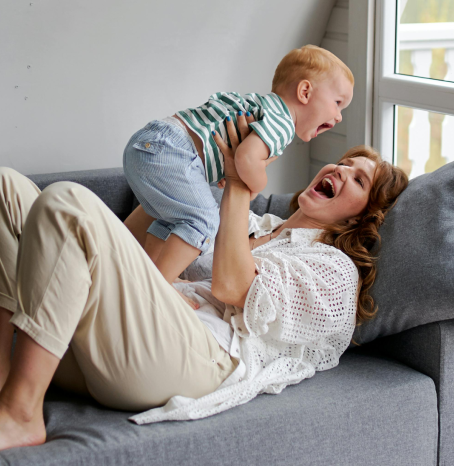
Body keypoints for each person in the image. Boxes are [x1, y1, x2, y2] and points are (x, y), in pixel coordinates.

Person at [0, 115, 407, 457]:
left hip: (195, 363)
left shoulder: (331, 268)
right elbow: (134, 257)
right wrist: (183, 165)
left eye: (359, 179)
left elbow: (232, 288)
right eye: (344, 162)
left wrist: (235, 185)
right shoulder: (249, 225)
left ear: (365, 217)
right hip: (123, 341)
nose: (340, 169)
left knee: (69, 202)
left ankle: (21, 412)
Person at [122, 45, 355, 293]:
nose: (339, 116)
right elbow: (245, 158)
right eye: (338, 103)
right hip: (174, 151)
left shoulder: (263, 106)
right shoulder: (282, 123)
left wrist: (220, 170)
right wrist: (257, 184)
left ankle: (154, 275)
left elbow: (230, 151)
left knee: (175, 219)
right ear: (305, 92)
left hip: (156, 141)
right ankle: (158, 290)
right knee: (203, 221)